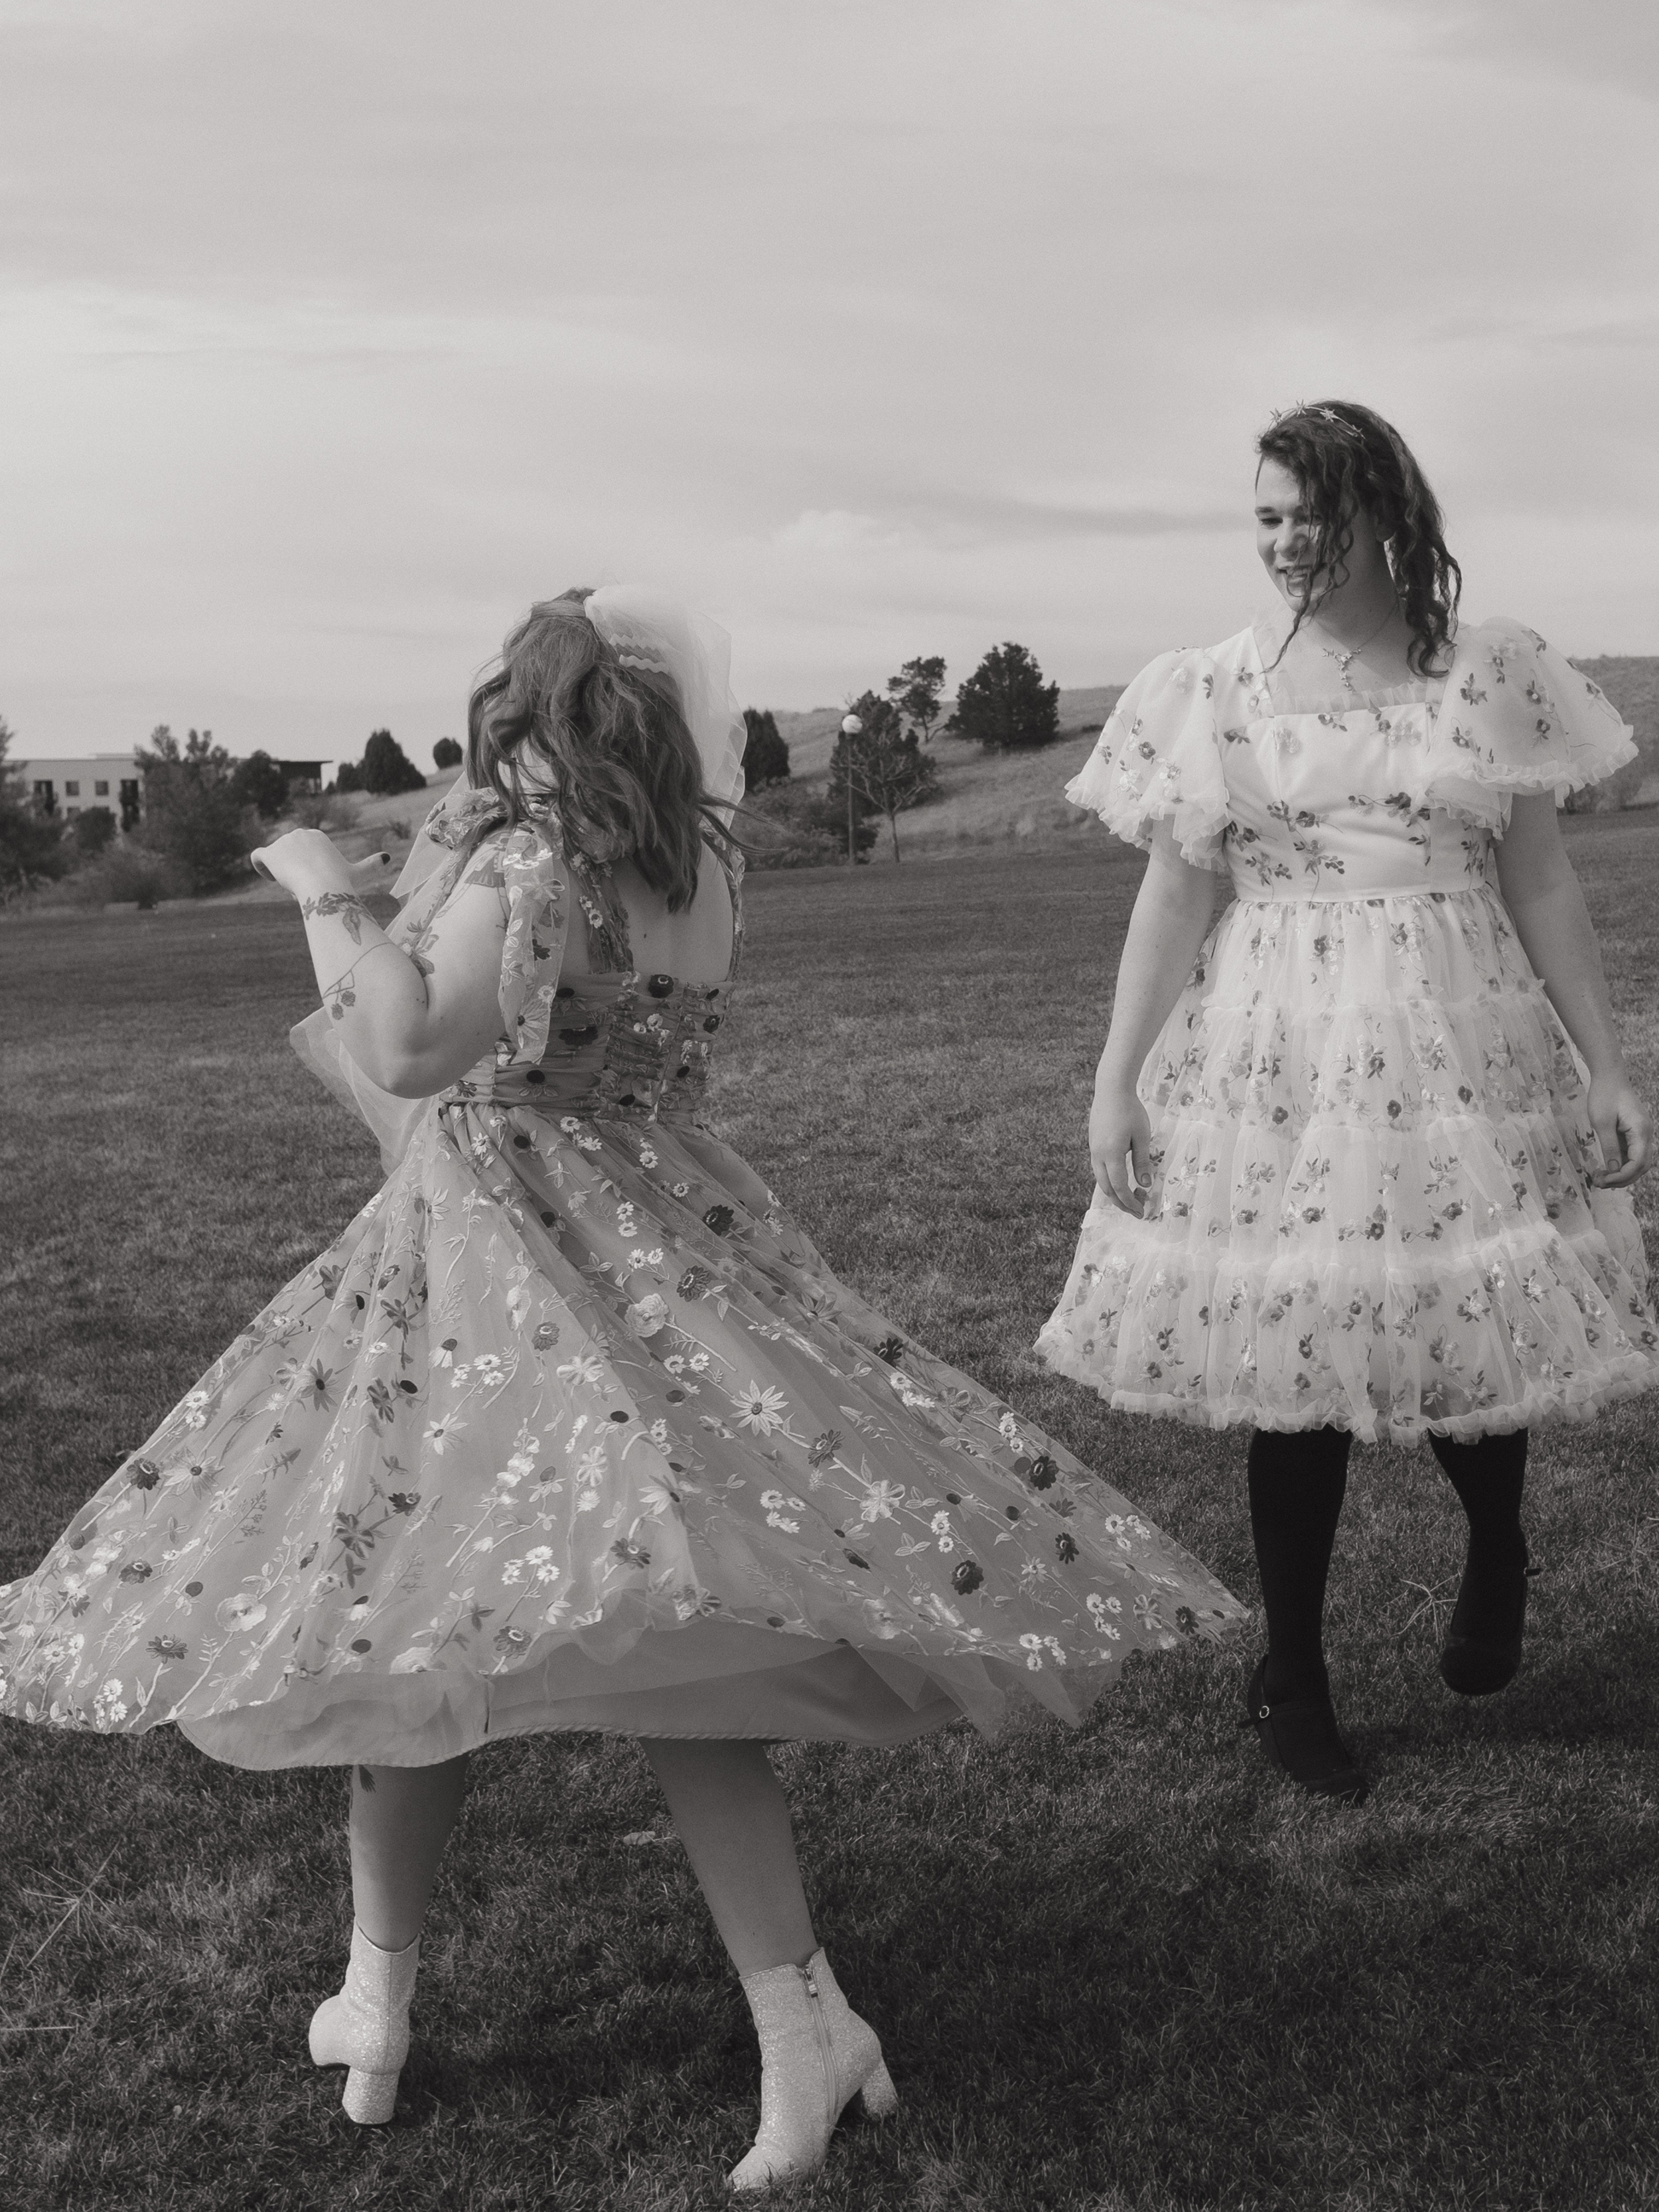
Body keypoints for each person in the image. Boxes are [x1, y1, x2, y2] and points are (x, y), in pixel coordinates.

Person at [0, 585, 1244, 2191]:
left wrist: (324, 889)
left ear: (531, 722)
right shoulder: (697, 873)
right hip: (663, 1241)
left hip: (497, 1279)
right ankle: (770, 2020)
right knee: (671, 1640)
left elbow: (405, 1046)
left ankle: (394, 2001)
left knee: (411, 1612)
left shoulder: (521, 862)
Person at [1039, 402, 1658, 1807]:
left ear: (1382, 515)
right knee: (1293, 1362)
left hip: (1459, 1033)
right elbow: (1174, 890)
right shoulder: (1211, 689)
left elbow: (1539, 879)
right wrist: (1113, 1079)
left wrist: (1606, 1065)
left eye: (1304, 515)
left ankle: (1493, 1542)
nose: (1282, 543)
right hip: (1279, 1050)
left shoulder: (1485, 671)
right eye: (1261, 518)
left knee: (1469, 1335)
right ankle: (1293, 1674)